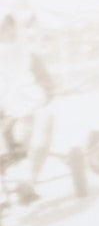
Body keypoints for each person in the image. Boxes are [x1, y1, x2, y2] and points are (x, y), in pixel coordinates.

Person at [0, 12, 57, 205]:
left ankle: (29, 183)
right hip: (8, 117)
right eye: (1, 29)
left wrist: (44, 96)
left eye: (7, 27)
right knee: (21, 129)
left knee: (44, 119)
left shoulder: (28, 54)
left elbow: (46, 83)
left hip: (32, 107)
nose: (4, 31)